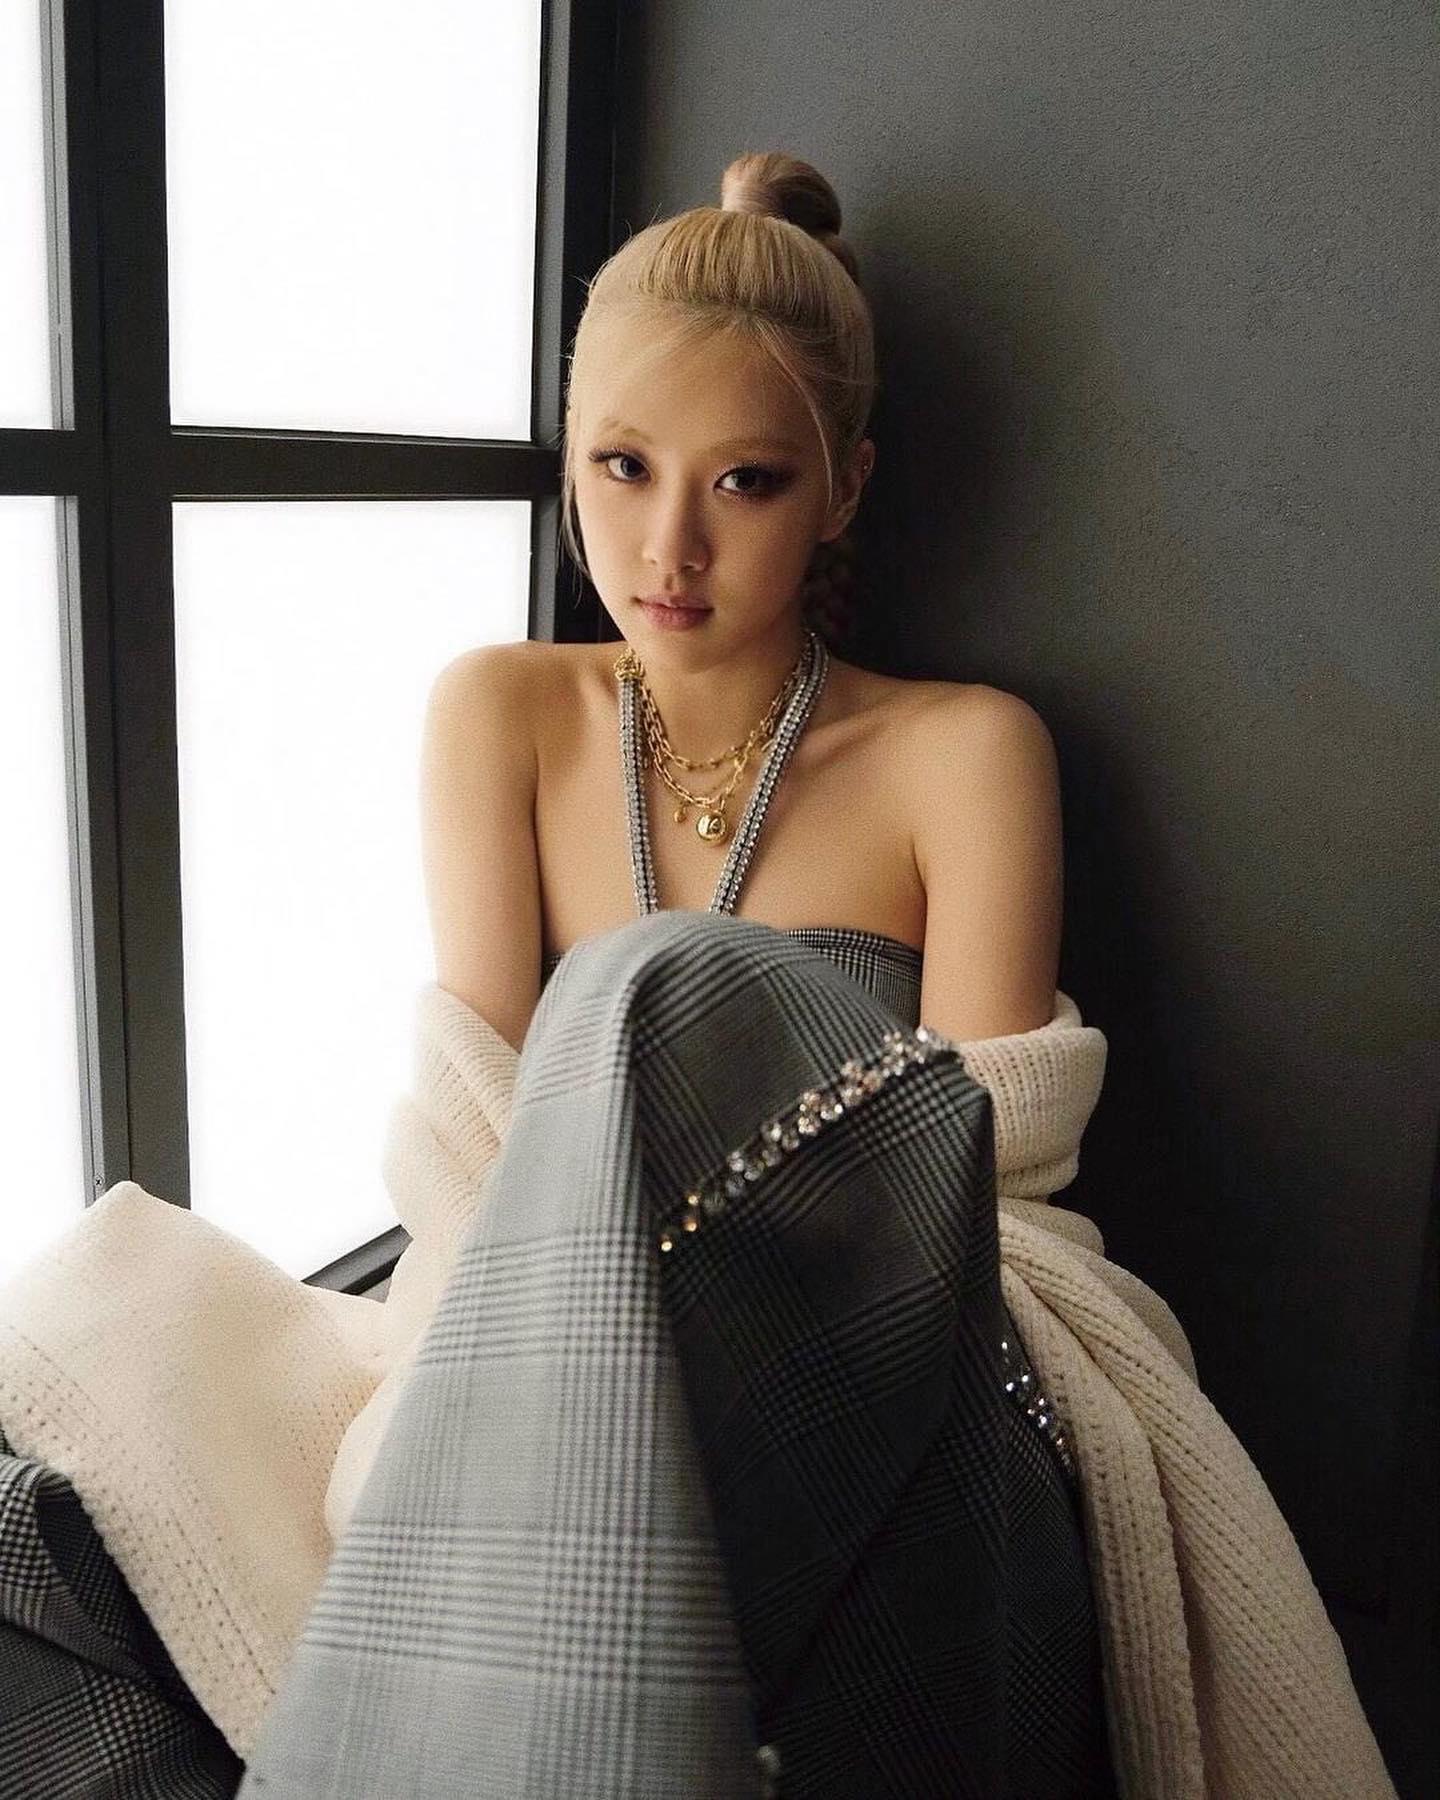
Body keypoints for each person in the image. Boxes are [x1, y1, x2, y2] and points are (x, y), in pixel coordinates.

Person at [233, 151, 1119, 1796]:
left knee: (658, 986)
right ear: (568, 452)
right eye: (622, 467)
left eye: (747, 483)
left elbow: (997, 1182)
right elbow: (474, 1146)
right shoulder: (498, 714)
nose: (666, 546)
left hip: (901, 1360)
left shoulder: (966, 754)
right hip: (553, 1331)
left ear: (843, 490)